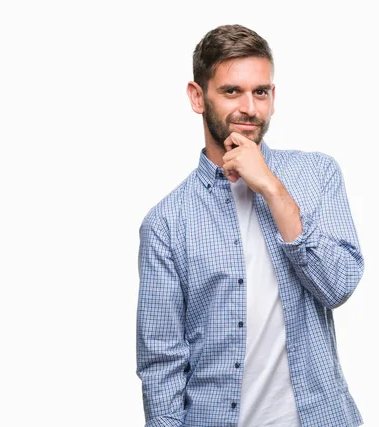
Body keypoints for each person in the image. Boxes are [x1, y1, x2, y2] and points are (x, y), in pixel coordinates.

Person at [137, 24, 365, 427]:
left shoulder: (317, 174)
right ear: (197, 96)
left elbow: (339, 285)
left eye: (260, 92)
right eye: (231, 92)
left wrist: (272, 189)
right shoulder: (166, 223)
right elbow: (162, 363)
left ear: (273, 97)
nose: (250, 107)